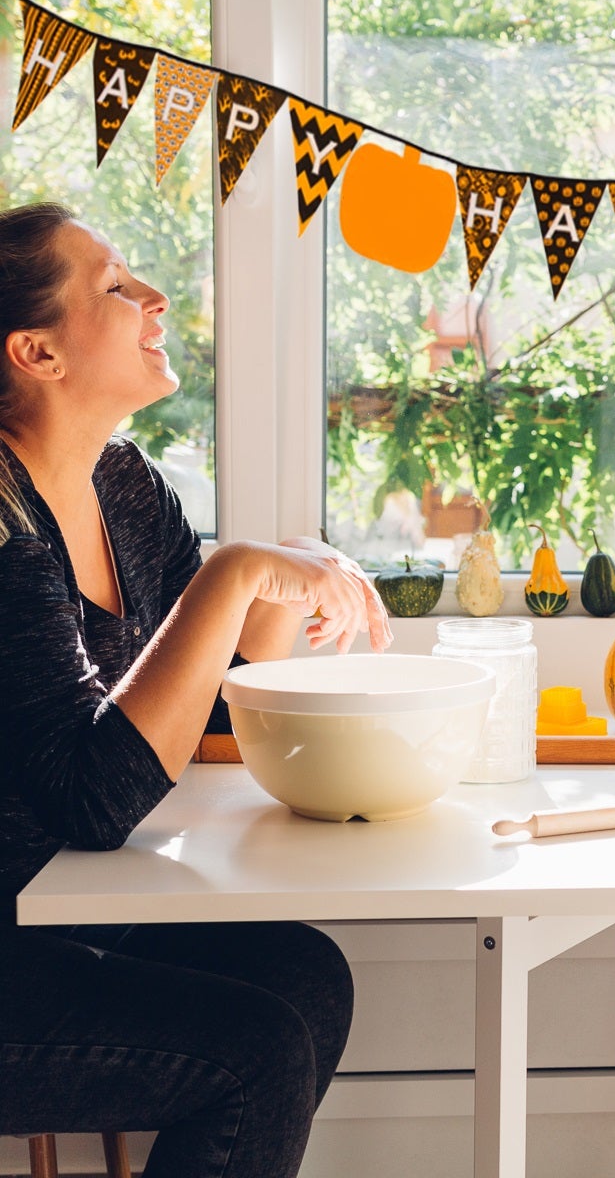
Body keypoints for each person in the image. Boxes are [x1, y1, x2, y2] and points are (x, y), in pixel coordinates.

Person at [0, 202, 394, 1176]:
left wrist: (271, 586)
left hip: (70, 908)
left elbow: (191, 716)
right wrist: (233, 574)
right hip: (14, 937)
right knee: (255, 1052)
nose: (155, 298)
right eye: (115, 285)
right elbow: (94, 797)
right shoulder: (4, 524)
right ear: (36, 353)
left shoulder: (121, 484)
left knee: (307, 976)